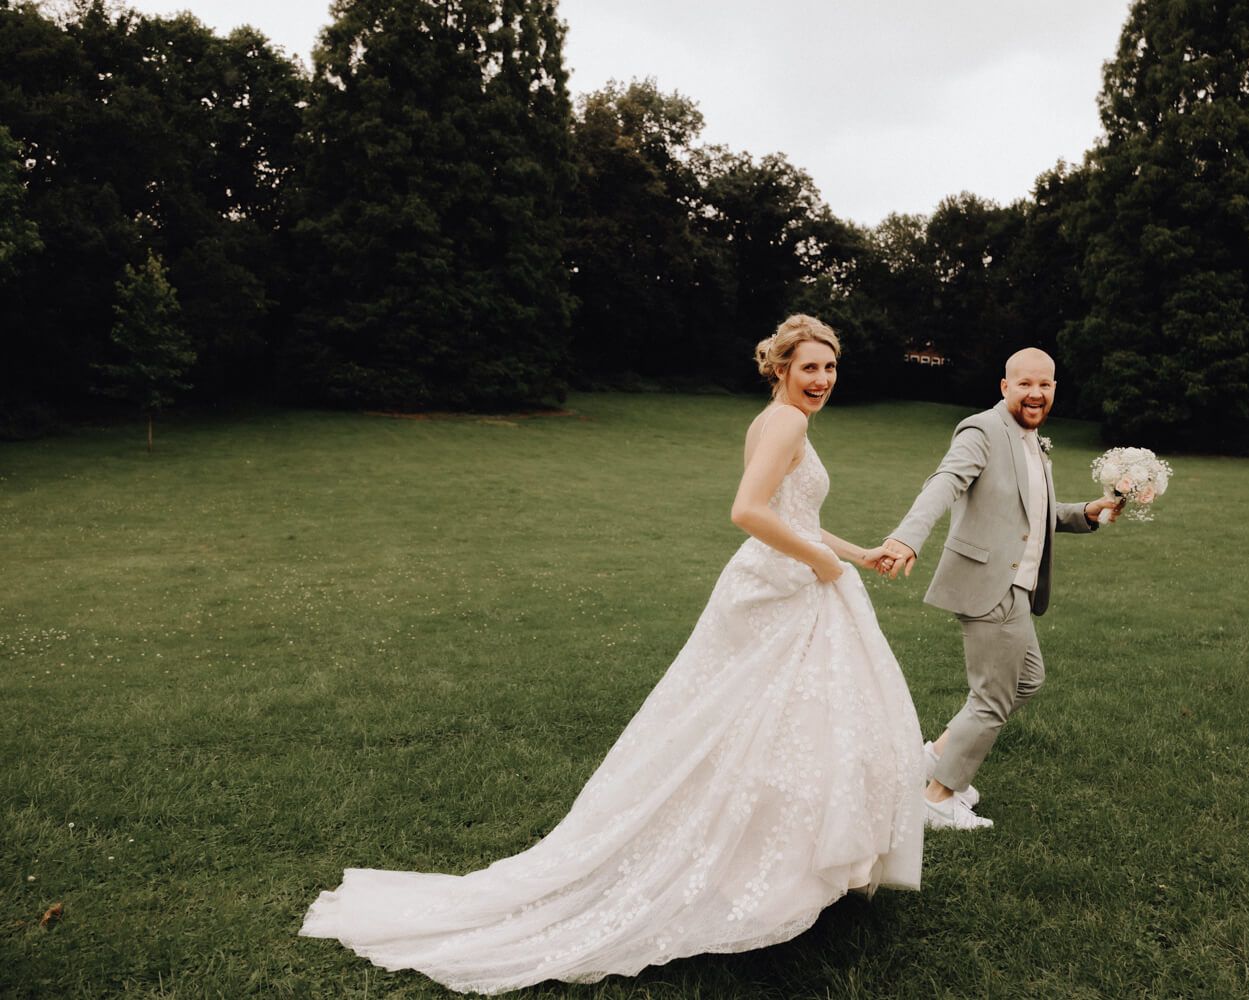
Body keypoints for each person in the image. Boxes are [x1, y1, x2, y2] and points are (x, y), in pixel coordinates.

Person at [301, 315, 925, 993]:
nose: (823, 380)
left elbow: (793, 516)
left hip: (783, 577)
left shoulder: (770, 421)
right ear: (780, 367)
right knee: (763, 724)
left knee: (760, 727)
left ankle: (769, 863)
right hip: (781, 585)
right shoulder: (788, 424)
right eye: (810, 367)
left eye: (830, 369)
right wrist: (824, 567)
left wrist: (856, 553)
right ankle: (761, 867)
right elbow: (747, 510)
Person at [878, 347, 1122, 831]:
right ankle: (938, 798)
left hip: (1018, 588)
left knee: (1026, 680)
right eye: (1025, 383)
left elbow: (1034, 514)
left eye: (1046, 384)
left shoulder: (1033, 440)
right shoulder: (983, 429)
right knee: (992, 697)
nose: (1036, 393)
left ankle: (936, 758)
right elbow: (944, 482)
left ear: (1054, 388)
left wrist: (1086, 512)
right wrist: (907, 536)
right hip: (989, 582)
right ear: (1005, 386)